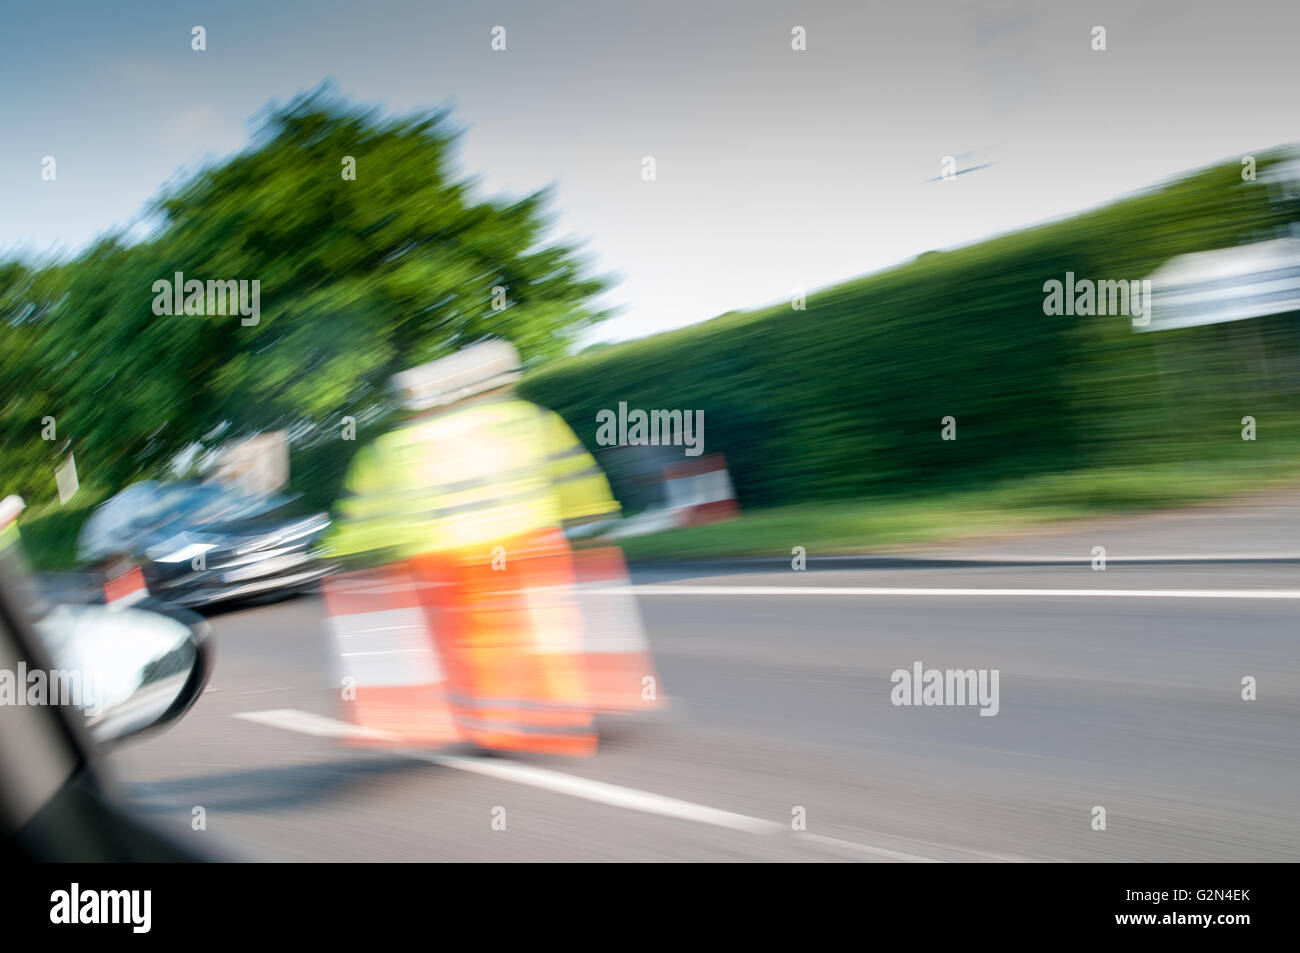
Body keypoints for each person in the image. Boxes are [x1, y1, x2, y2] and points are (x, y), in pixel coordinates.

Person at [326, 340, 620, 754]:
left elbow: (366, 521)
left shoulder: (391, 448)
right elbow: (571, 477)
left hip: (444, 560)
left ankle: (492, 723)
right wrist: (593, 517)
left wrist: (346, 556)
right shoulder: (527, 419)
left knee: (469, 645)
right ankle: (565, 719)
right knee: (546, 630)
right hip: (528, 545)